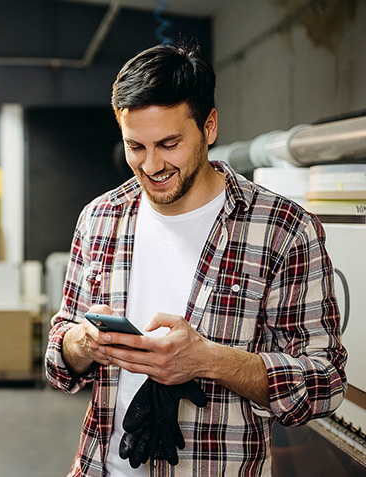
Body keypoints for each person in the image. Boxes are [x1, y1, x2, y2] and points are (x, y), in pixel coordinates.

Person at [45, 43, 347, 476]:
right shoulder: (100, 219)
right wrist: (81, 343)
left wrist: (208, 360)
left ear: (209, 127)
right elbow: (59, 362)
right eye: (136, 147)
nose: (151, 165)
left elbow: (325, 380)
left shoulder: (283, 228)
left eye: (169, 143)